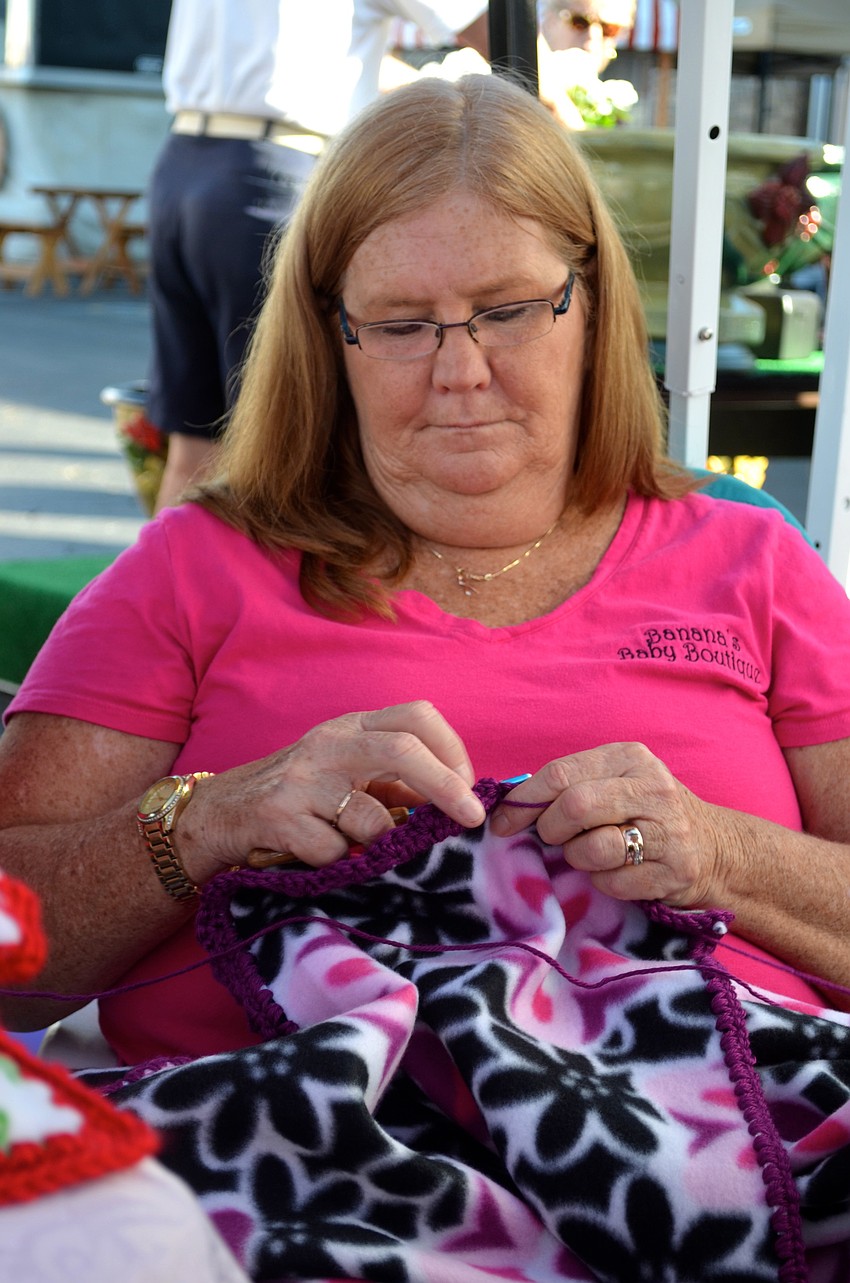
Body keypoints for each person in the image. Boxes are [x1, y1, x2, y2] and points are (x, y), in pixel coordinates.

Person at [2, 70, 850, 1277]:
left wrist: (719, 854)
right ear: (330, 336)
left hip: (738, 1160)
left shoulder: (751, 563)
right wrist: (207, 821)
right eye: (401, 324)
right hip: (287, 1176)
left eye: (508, 310)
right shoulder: (193, 570)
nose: (459, 372)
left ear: (592, 305)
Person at [148, 0, 488, 512]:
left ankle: (172, 568)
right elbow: (485, 25)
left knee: (197, 445)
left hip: (185, 164)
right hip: (274, 171)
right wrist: (559, 84)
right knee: (292, 444)